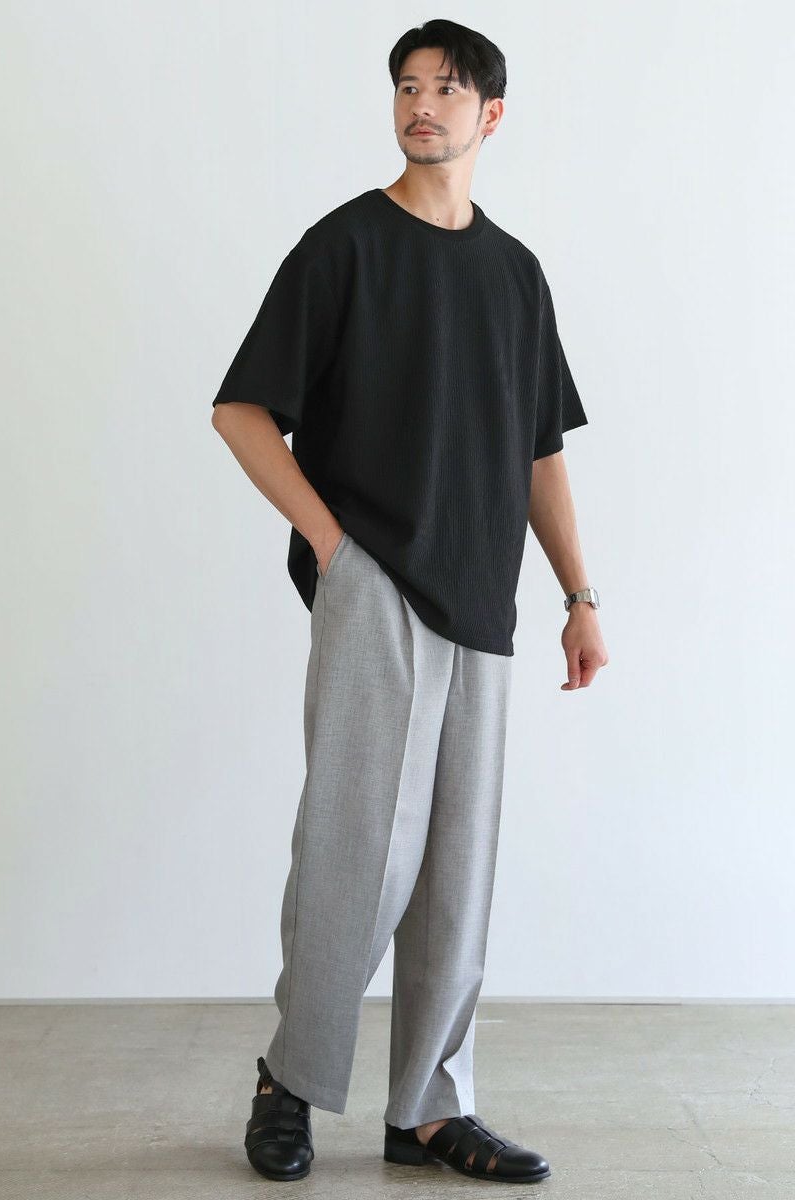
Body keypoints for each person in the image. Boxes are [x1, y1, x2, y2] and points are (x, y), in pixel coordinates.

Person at [211, 17, 608, 1185]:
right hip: (376, 586)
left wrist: (579, 595)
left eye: (445, 88)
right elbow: (242, 410)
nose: (420, 104)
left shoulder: (514, 273)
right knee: (354, 851)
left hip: (483, 598)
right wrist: (334, 548)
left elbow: (539, 452)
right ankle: (290, 1084)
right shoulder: (344, 247)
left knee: (455, 867)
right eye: (405, 86)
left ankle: (429, 1109)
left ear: (491, 115)